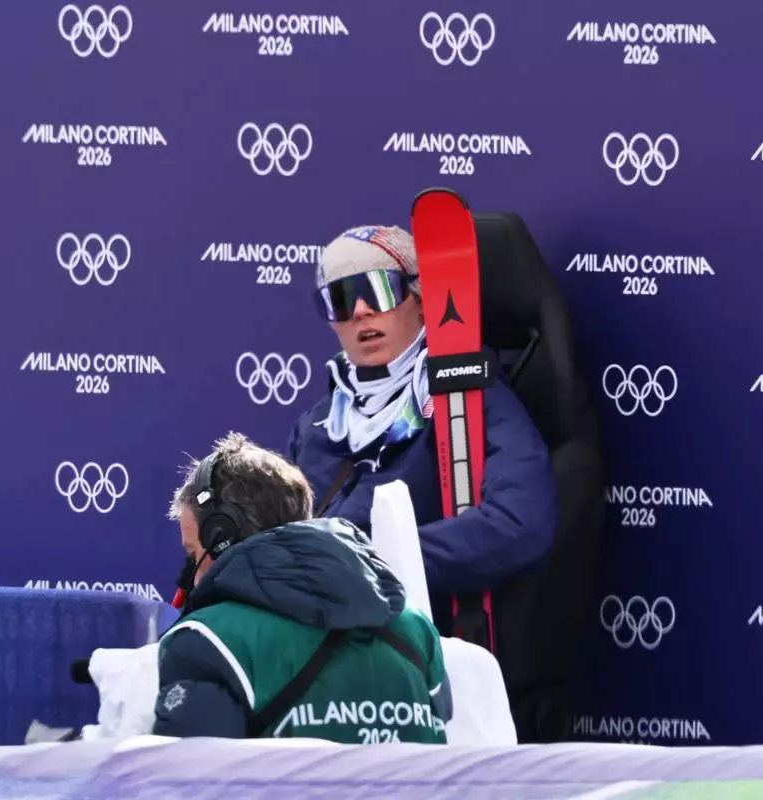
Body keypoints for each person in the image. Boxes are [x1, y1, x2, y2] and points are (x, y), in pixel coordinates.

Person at [286, 224, 559, 638]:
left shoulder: (469, 398)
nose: (360, 311)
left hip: (405, 644)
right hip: (310, 635)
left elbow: (520, 522)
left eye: (378, 290)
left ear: (421, 300)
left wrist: (371, 561)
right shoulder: (318, 425)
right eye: (340, 300)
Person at [152, 431, 451, 744]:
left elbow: (193, 770)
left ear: (221, 538)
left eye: (193, 555)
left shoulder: (205, 642)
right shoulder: (417, 629)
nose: (193, 578)